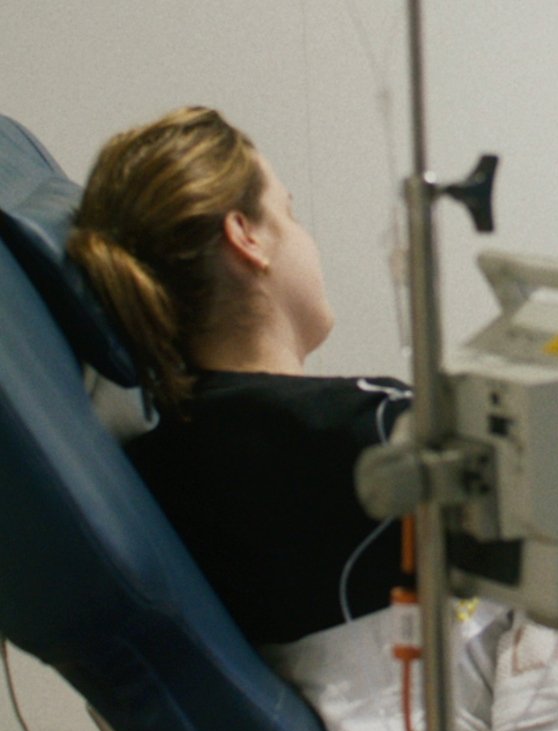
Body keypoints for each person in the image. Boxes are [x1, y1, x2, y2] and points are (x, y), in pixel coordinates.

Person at [67, 106, 413, 645]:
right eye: (289, 214)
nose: (305, 237)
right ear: (246, 236)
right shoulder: (376, 433)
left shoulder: (152, 466)